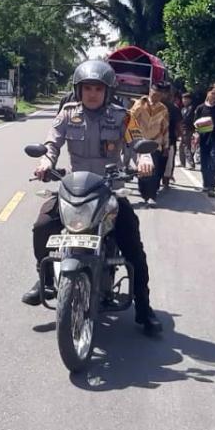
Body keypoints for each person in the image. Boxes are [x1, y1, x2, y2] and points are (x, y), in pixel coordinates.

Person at [26, 60, 161, 335]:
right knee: (42, 225)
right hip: (74, 188)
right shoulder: (67, 114)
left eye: (98, 89)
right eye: (87, 88)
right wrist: (45, 163)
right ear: (79, 90)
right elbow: (52, 143)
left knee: (133, 246)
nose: (92, 94)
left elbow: (136, 142)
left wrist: (144, 159)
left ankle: (144, 309)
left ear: (107, 91)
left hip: (109, 190)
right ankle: (46, 281)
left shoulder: (122, 116)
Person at [128, 84, 170, 205]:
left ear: (162, 95)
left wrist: (166, 146)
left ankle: (151, 196)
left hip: (155, 143)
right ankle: (144, 193)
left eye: (159, 95)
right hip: (140, 142)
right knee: (142, 171)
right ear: (150, 91)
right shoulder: (140, 103)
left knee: (153, 170)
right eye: (154, 93)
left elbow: (165, 128)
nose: (155, 96)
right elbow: (130, 119)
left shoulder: (163, 109)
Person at [194, 84, 215, 196]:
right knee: (204, 161)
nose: (214, 95)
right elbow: (195, 123)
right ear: (208, 94)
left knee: (214, 161)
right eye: (212, 93)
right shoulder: (200, 108)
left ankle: (212, 186)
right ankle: (206, 184)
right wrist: (196, 135)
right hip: (204, 137)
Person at [162, 84, 181, 188]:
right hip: (156, 138)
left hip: (169, 138)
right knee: (168, 161)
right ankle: (165, 178)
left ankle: (166, 179)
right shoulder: (152, 105)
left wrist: (179, 134)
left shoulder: (173, 108)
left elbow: (178, 124)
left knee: (168, 161)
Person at [179, 93, 197, 170]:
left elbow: (188, 119)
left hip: (188, 129)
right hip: (183, 129)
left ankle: (191, 163)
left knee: (186, 146)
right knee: (181, 146)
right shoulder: (183, 109)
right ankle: (182, 162)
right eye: (183, 99)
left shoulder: (192, 108)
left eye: (186, 99)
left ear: (190, 100)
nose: (184, 100)